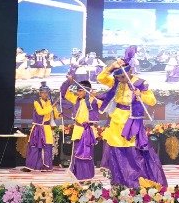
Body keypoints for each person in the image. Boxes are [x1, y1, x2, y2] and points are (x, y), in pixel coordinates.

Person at [98, 53, 160, 188]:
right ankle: (119, 180)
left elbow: (152, 101)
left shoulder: (140, 83)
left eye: (122, 76)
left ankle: (134, 182)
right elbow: (101, 78)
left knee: (132, 152)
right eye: (118, 77)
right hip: (116, 120)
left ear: (130, 71)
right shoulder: (117, 82)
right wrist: (112, 67)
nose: (120, 79)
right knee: (116, 150)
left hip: (132, 121)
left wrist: (140, 95)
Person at [61, 74, 100, 181]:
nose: (78, 93)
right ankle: (76, 175)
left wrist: (94, 96)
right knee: (76, 153)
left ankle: (86, 176)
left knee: (87, 154)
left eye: (80, 91)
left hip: (88, 131)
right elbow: (63, 93)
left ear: (86, 91)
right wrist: (68, 82)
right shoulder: (76, 100)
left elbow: (101, 105)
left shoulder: (92, 101)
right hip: (78, 131)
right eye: (77, 90)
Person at [26, 83, 59, 170]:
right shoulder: (37, 102)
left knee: (47, 146)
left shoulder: (50, 102)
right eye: (43, 92)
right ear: (40, 94)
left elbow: (55, 114)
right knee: (36, 147)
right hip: (38, 128)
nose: (45, 94)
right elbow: (41, 112)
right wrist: (51, 107)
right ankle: (34, 165)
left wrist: (59, 114)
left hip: (47, 128)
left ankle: (46, 166)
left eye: (46, 92)